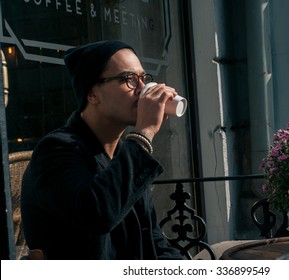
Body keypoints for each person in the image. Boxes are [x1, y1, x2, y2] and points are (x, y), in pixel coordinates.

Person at [21, 40, 183, 260]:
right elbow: (98, 214)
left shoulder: (124, 154)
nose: (142, 90)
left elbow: (153, 240)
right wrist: (144, 133)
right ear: (92, 94)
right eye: (129, 79)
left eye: (143, 79)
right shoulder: (57, 150)